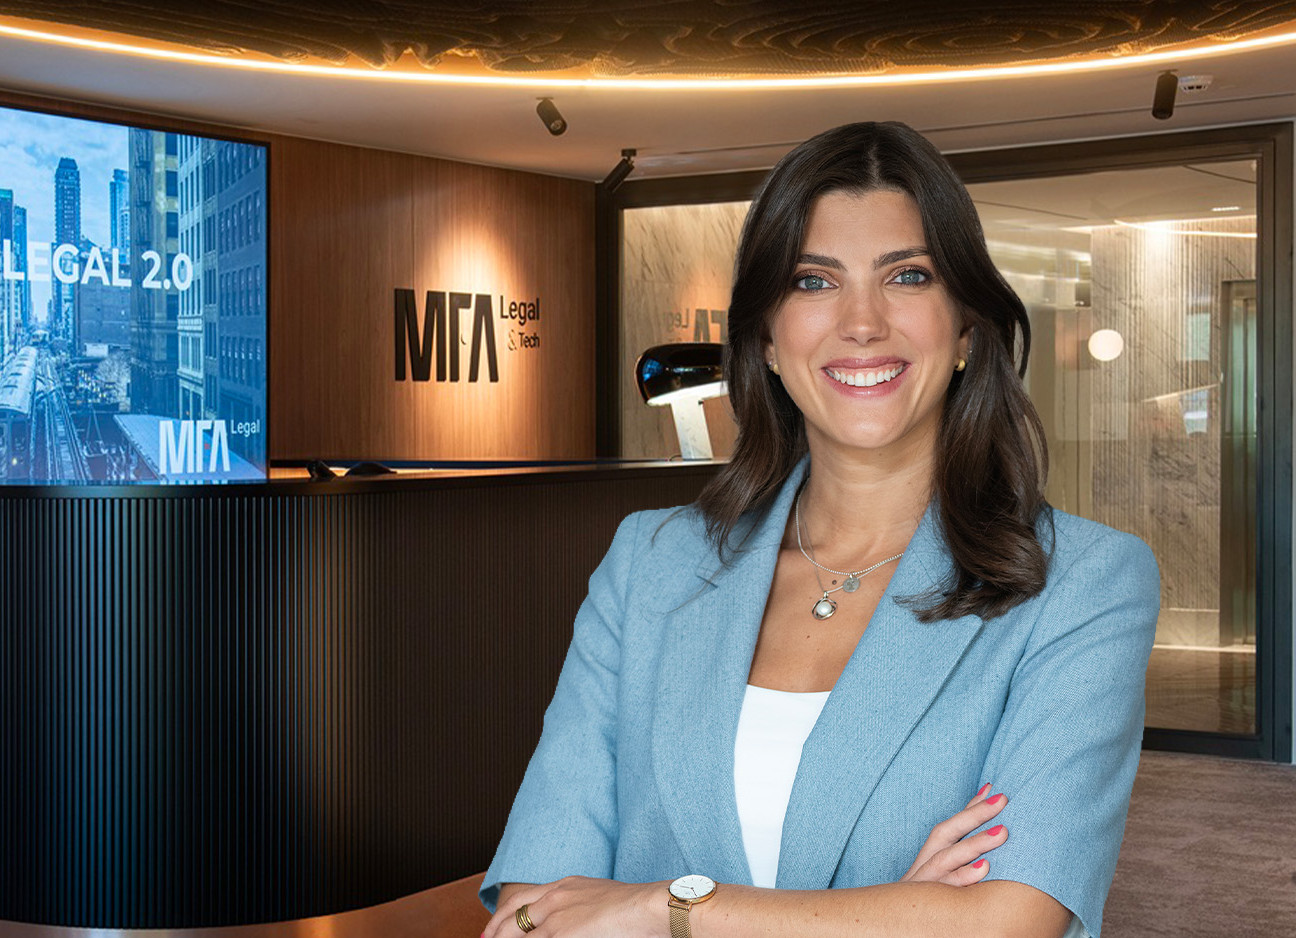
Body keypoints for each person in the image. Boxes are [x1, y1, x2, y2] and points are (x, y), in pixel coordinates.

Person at [479, 121, 1159, 938]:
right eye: (812, 281)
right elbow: (532, 912)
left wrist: (664, 906)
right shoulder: (650, 562)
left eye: (907, 276)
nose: (861, 322)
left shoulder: (1082, 582)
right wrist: (894, 912)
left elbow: (1007, 919)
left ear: (965, 328)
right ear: (766, 336)